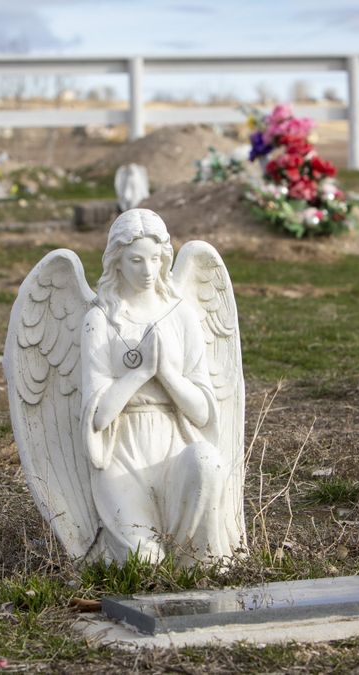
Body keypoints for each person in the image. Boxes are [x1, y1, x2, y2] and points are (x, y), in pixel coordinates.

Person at [79, 209, 235, 566]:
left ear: (165, 259)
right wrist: (142, 371)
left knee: (207, 461)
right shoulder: (98, 320)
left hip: (174, 445)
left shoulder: (182, 315)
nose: (147, 271)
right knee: (143, 563)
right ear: (117, 261)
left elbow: (202, 411)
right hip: (122, 454)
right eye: (136, 260)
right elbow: (98, 415)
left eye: (154, 259)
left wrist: (168, 375)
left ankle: (196, 562)